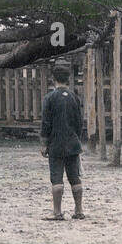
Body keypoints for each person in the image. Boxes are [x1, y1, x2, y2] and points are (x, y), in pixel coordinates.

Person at [40, 63, 85, 220]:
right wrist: (77, 138)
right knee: (74, 177)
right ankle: (78, 211)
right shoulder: (74, 97)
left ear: (53, 79)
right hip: (73, 142)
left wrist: (44, 143)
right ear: (68, 79)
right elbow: (79, 122)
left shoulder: (50, 98)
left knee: (57, 177)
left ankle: (57, 212)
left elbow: (46, 123)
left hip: (56, 144)